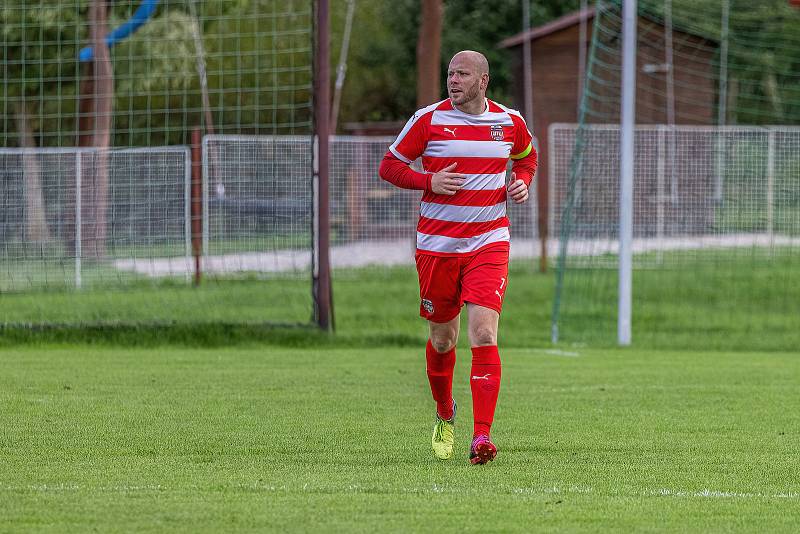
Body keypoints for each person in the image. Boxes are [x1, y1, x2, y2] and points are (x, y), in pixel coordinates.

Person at [378, 50, 538, 464]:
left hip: (489, 241)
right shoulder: (428, 120)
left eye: (462, 74)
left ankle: (481, 437)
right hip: (437, 247)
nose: (453, 80)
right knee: (442, 338)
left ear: (482, 81)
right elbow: (390, 167)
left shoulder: (509, 122)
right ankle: (445, 412)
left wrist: (521, 182)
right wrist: (428, 179)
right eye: (450, 73)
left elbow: (527, 157)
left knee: (483, 333)